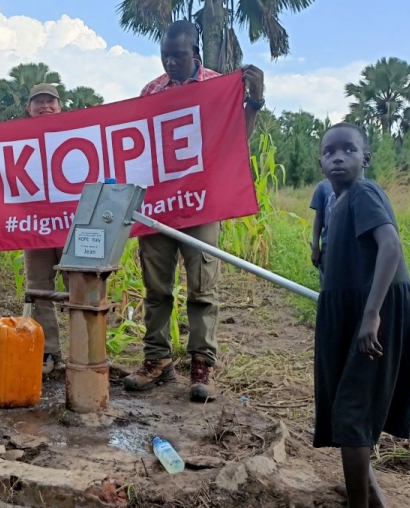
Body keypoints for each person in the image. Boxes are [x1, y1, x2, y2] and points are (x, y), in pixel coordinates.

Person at [123, 20, 266, 401]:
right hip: (159, 203)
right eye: (165, 55)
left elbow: (235, 138)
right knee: (156, 288)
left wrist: (255, 99)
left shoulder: (216, 86)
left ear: (195, 54)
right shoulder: (150, 91)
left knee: (203, 287)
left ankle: (202, 364)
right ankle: (157, 360)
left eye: (178, 55)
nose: (170, 62)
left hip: (201, 204)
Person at [315, 123, 410, 508]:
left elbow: (390, 246)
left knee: (352, 409)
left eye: (348, 150)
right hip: (352, 308)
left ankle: (360, 503)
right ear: (320, 162)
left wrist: (371, 314)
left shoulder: (364, 191)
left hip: (377, 307)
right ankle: (372, 496)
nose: (338, 157)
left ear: (366, 158)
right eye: (329, 152)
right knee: (347, 404)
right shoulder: (335, 201)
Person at [22, 83, 70, 375]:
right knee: (39, 290)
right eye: (38, 102)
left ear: (60, 106)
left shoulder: (75, 133)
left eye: (50, 101)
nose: (45, 106)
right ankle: (50, 352)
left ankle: (84, 350)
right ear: (29, 108)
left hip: (71, 226)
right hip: (35, 226)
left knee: (80, 288)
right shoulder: (18, 138)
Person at [311, 178, 335, 285]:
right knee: (327, 285)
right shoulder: (323, 187)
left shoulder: (361, 187)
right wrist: (315, 248)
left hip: (353, 245)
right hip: (328, 244)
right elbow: (319, 218)